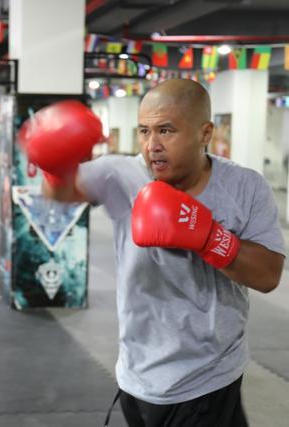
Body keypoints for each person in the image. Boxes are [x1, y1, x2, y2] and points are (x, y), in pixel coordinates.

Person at [25, 79, 285, 426]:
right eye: (144, 131)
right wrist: (55, 166)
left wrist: (209, 238)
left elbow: (268, 276)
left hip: (210, 374)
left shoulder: (245, 186)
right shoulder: (120, 174)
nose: (152, 145)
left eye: (166, 130)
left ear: (205, 133)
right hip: (136, 372)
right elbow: (61, 193)